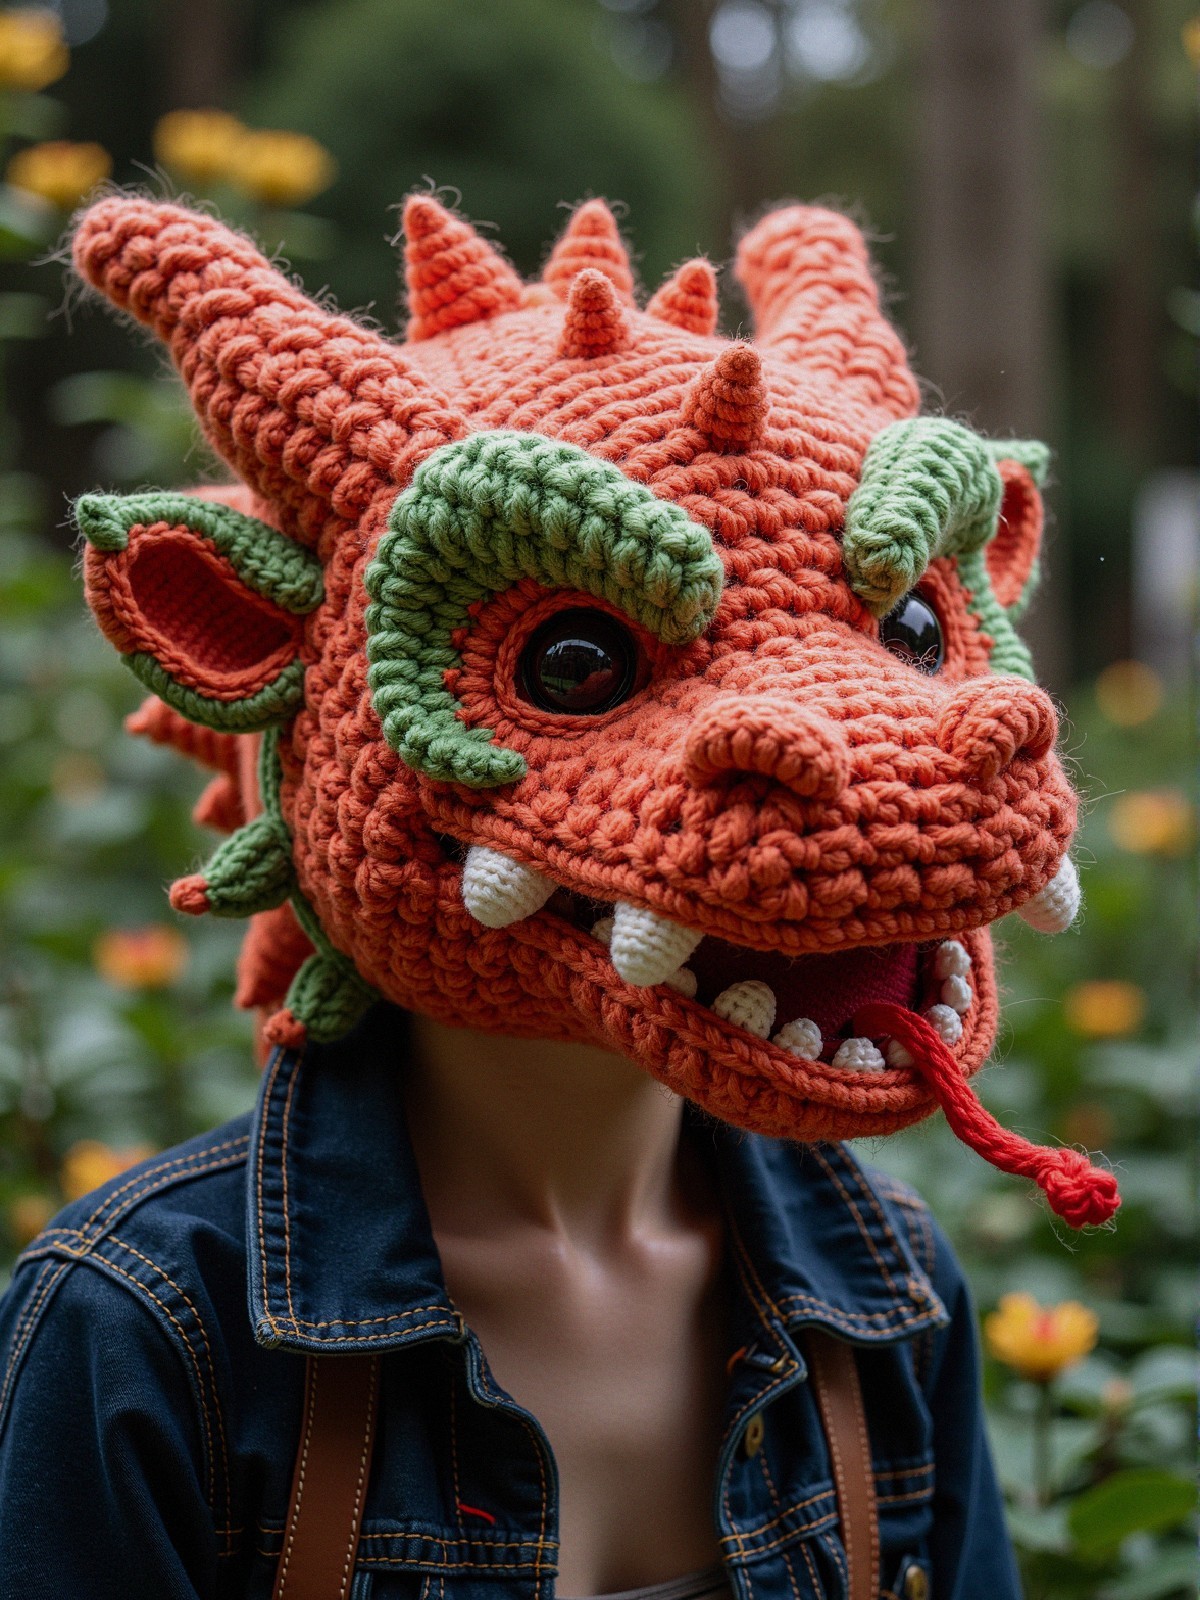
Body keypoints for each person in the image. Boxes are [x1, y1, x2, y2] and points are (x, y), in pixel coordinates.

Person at [0, 189, 1118, 1600]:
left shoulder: (893, 1293)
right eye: (576, 663)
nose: (856, 716)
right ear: (239, 633)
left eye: (904, 626)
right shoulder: (144, 1330)